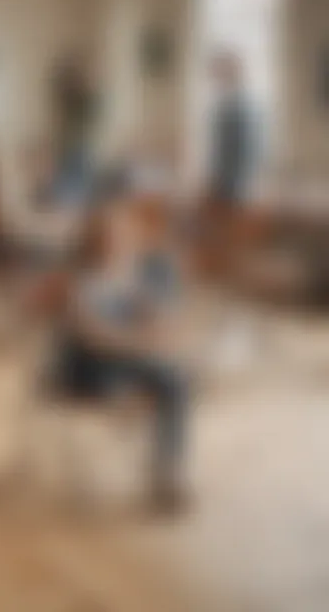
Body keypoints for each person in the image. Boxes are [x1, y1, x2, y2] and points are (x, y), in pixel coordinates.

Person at [48, 184, 190, 512]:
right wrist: (143, 341)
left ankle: (167, 474)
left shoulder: (128, 275)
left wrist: (159, 323)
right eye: (112, 236)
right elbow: (96, 337)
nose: (120, 243)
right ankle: (163, 470)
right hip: (83, 372)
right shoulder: (79, 280)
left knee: (175, 380)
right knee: (160, 374)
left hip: (121, 363)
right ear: (95, 240)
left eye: (125, 236)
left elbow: (153, 314)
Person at [207, 51, 259, 206]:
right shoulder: (225, 101)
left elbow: (243, 150)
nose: (216, 78)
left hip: (233, 185)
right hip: (224, 181)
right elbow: (219, 147)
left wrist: (222, 181)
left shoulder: (239, 104)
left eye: (220, 72)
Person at [52, 51, 102, 204]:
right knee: (70, 178)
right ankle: (70, 204)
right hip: (70, 140)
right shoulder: (68, 93)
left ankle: (77, 204)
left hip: (80, 141)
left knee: (81, 179)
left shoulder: (84, 96)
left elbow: (93, 115)